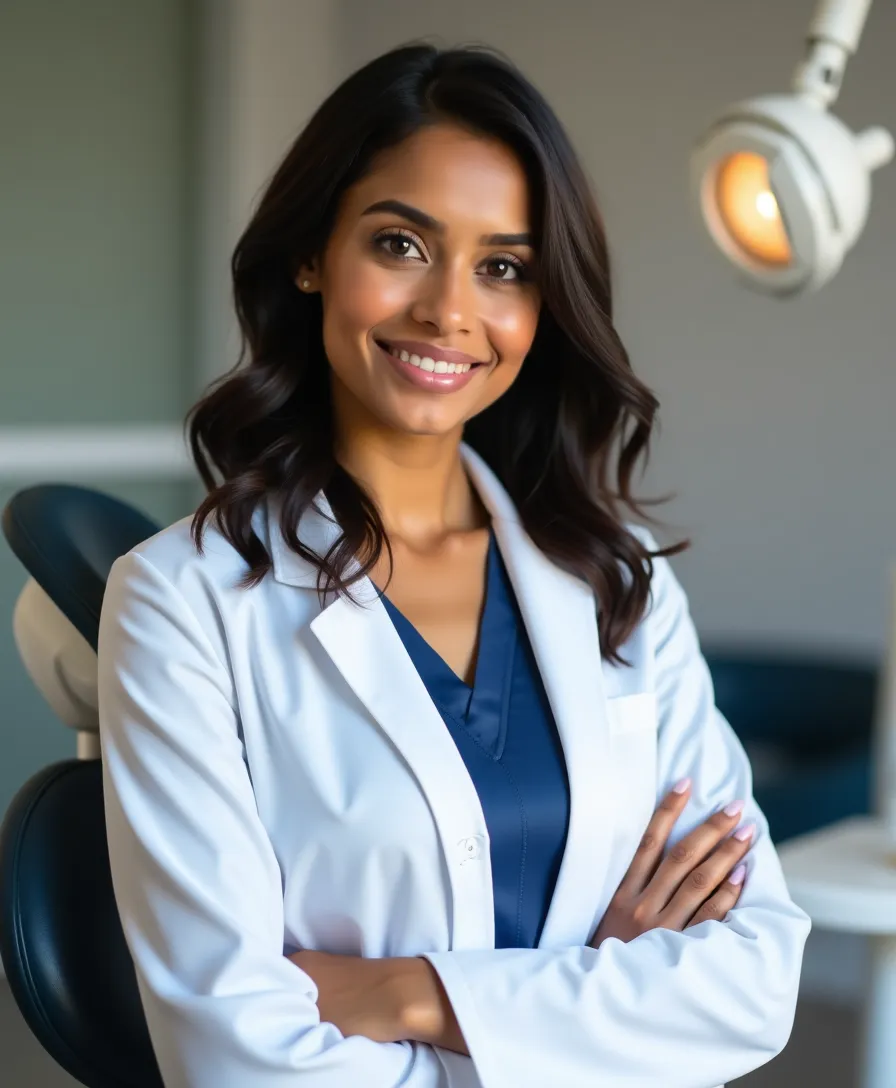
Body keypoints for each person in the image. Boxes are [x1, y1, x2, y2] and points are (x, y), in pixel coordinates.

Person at [97, 42, 810, 1088]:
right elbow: (234, 1053)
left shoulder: (618, 580)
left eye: (503, 267)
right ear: (311, 254)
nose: (447, 310)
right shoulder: (183, 600)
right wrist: (588, 998)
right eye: (399, 243)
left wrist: (399, 993)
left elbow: (749, 978)